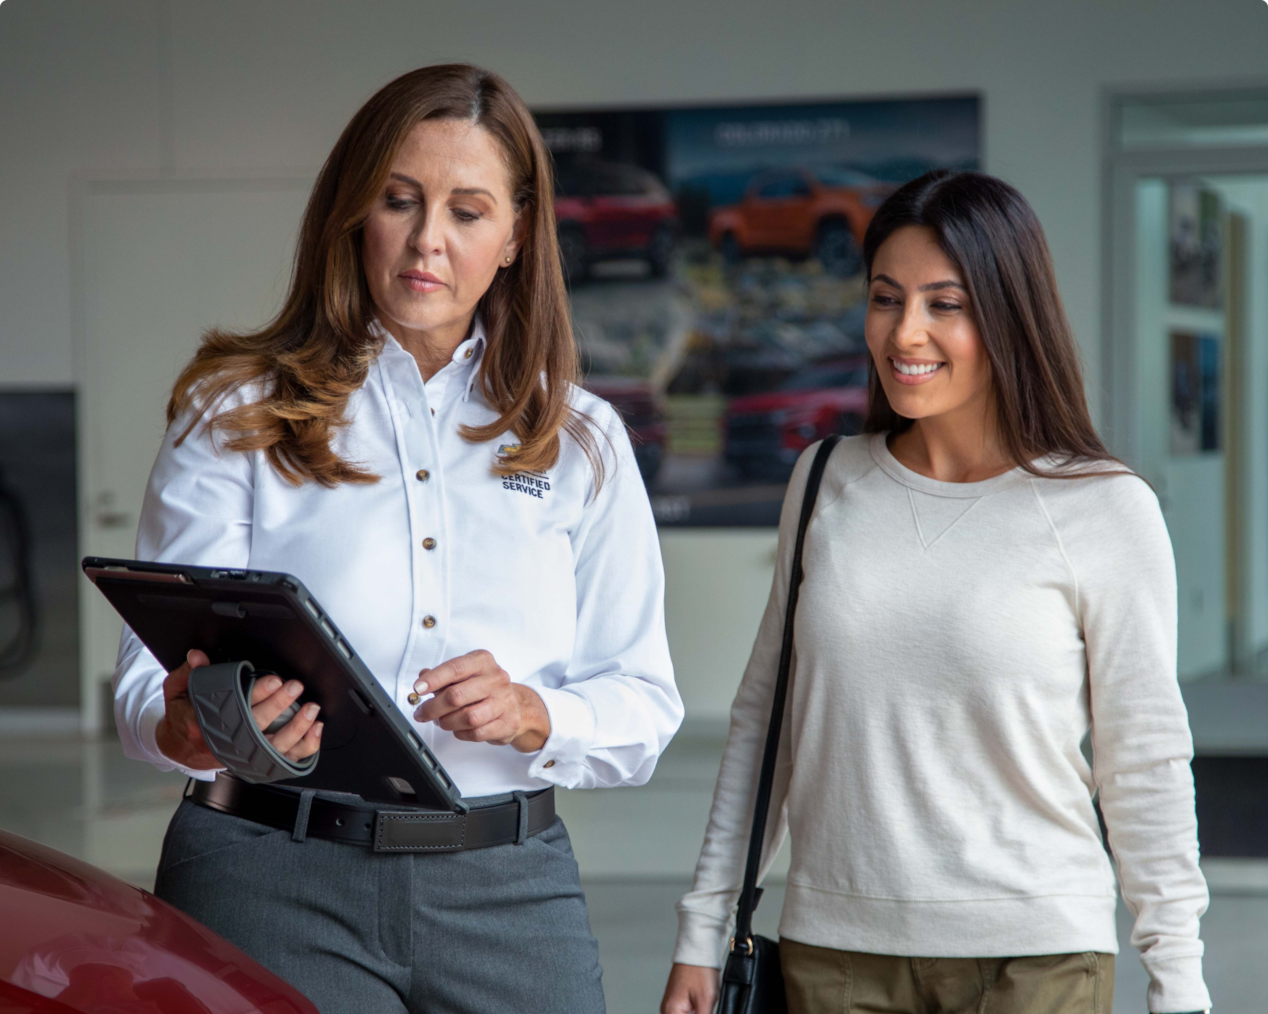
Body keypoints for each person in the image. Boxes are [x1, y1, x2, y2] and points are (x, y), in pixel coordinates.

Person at [113, 63, 682, 1014]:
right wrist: (192, 724)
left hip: (508, 887)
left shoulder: (580, 438)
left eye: (467, 211)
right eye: (399, 200)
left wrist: (537, 714)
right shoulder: (235, 412)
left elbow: (645, 708)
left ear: (515, 236)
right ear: (353, 212)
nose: (428, 242)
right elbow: (144, 682)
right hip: (266, 876)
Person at [662, 171, 1211, 1014]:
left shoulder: (1103, 507)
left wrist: (1179, 981)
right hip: (836, 953)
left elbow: (1144, 760)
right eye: (886, 298)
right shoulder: (824, 484)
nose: (905, 332)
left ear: (1008, 313)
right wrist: (702, 929)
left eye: (944, 303)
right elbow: (763, 722)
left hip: (1037, 956)